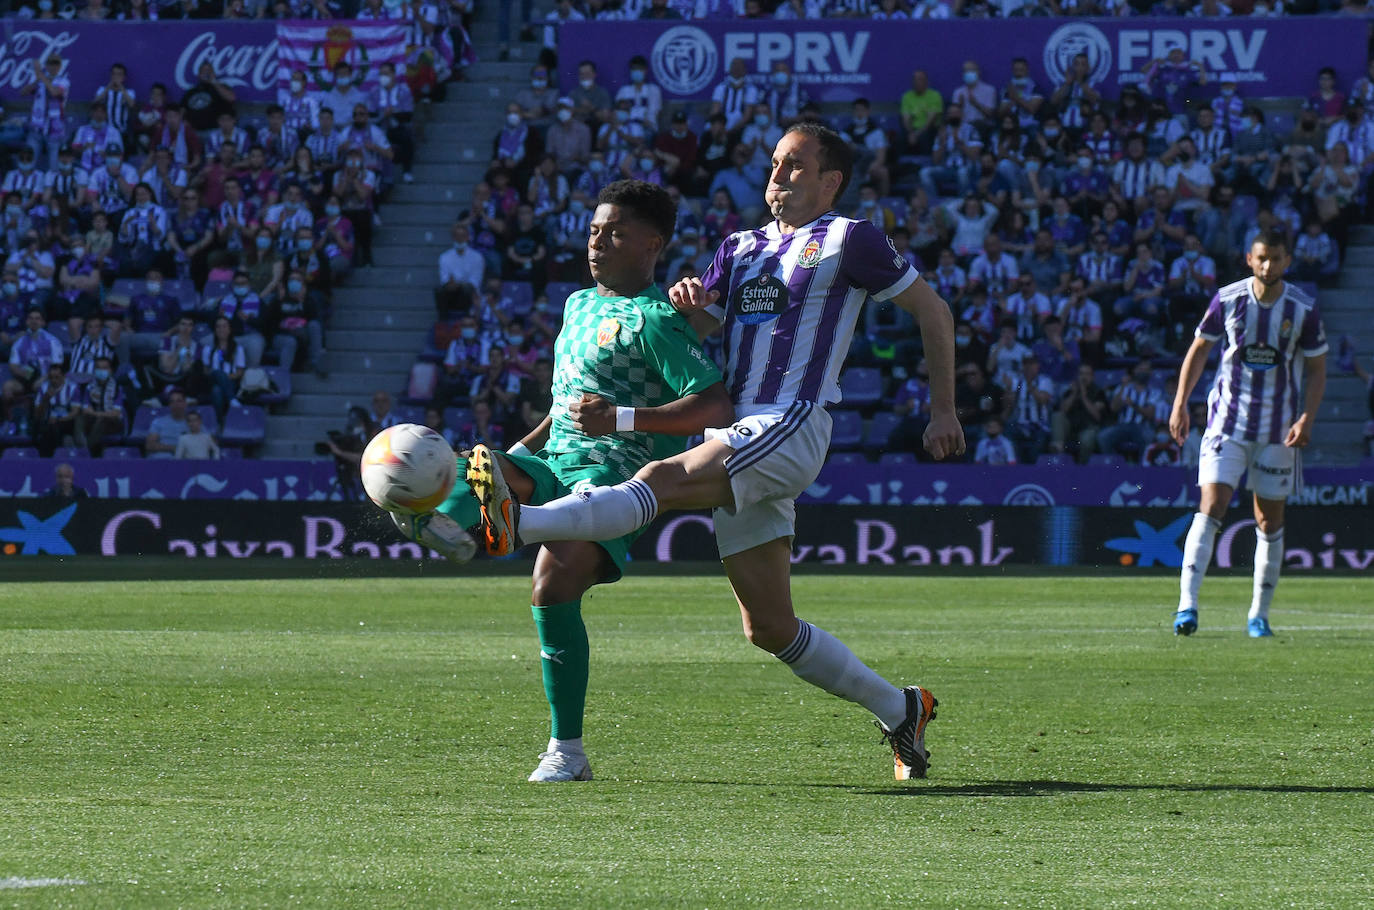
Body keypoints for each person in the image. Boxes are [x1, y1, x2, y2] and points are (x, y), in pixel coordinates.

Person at [469, 124, 964, 781]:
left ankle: (517, 522)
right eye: (775, 164)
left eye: (795, 167)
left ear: (830, 182)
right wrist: (686, 304)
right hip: (743, 439)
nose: (778, 176)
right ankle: (901, 707)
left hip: (789, 419)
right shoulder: (740, 250)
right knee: (769, 626)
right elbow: (692, 334)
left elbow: (933, 312)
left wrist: (944, 410)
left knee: (664, 478)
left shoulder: (850, 240)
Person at [392, 180, 732, 783]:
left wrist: (622, 418)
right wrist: (510, 461)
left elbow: (713, 407)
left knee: (549, 587)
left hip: (613, 478)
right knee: (477, 462)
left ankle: (566, 752)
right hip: (553, 464)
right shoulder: (579, 305)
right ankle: (452, 520)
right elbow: (562, 409)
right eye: (595, 231)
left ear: (653, 244)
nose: (598, 243)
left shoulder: (658, 320)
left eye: (616, 233)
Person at [1168, 230, 1328, 639]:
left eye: (1275, 259)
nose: (1268, 266)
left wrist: (1306, 418)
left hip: (1277, 431)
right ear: (1249, 258)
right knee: (1213, 502)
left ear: (1287, 261)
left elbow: (1316, 369)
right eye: (1262, 258)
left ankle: (1258, 615)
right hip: (1227, 423)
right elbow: (1200, 349)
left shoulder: (1302, 309)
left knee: (1268, 518)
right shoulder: (1228, 299)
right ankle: (1187, 606)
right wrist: (1180, 402)